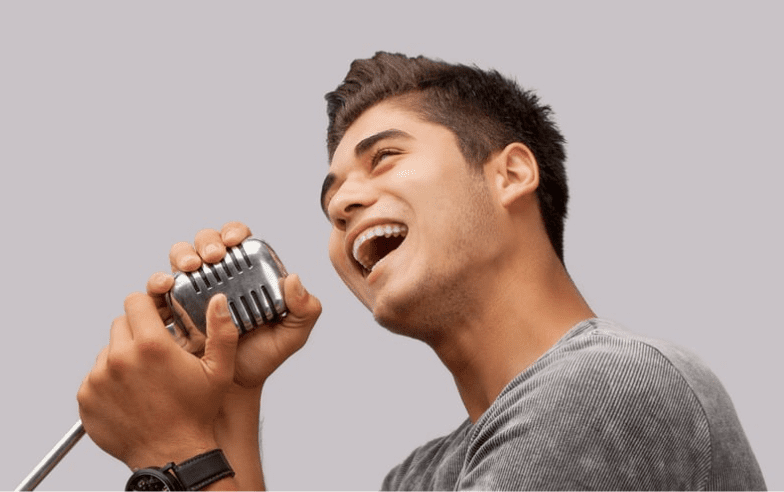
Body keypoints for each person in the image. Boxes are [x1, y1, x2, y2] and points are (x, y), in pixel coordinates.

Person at [77, 52, 766, 490]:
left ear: (512, 173)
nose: (343, 203)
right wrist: (229, 397)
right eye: (330, 201)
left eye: (385, 159)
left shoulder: (610, 386)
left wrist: (175, 455)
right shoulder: (416, 478)